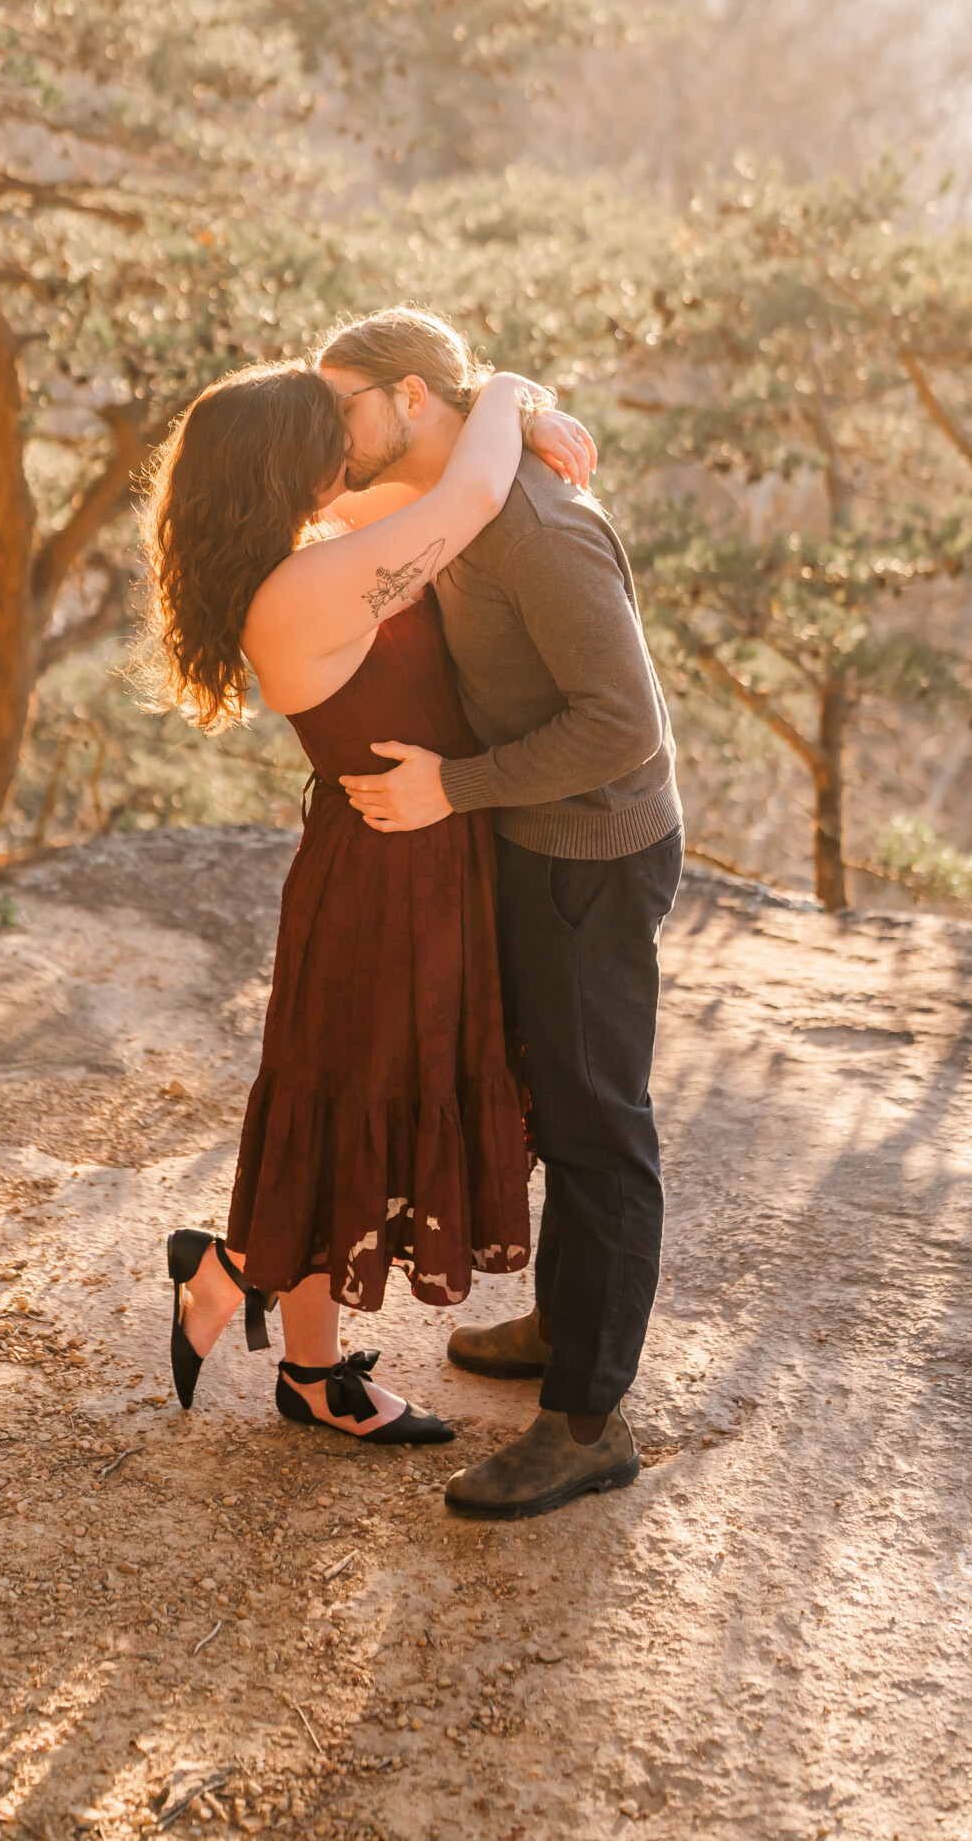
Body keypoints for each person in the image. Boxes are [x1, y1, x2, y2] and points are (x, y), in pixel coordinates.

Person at [141, 357, 596, 1444]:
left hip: (416, 859)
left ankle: (297, 1359)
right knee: (348, 1110)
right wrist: (513, 388)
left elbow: (432, 480)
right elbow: (469, 494)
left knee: (347, 1107)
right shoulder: (301, 588)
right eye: (327, 439)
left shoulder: (313, 546)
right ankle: (247, 1291)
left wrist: (524, 426)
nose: (350, 452)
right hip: (385, 882)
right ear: (284, 468)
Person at [322, 307, 682, 1523]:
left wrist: (452, 788)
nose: (338, 430)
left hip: (593, 850)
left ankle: (588, 1421)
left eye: (347, 406)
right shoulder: (463, 500)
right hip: (536, 840)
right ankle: (564, 1329)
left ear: (415, 399)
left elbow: (622, 725)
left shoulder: (536, 524)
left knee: (597, 1124)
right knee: (556, 1100)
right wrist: (516, 398)